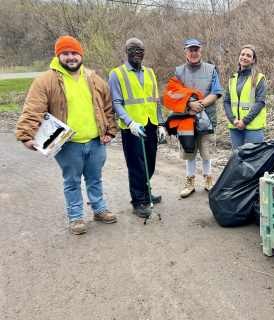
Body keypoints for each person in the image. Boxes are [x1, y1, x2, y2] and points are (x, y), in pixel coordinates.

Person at [15, 36, 118, 235]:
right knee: (72, 181)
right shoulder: (46, 81)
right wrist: (26, 135)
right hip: (67, 144)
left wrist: (110, 131)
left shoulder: (93, 78)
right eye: (66, 53)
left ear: (81, 55)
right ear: (58, 55)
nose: (71, 57)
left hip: (96, 142)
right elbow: (33, 109)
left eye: (74, 53)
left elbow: (107, 107)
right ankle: (75, 217)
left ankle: (99, 209)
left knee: (95, 178)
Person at [108, 38, 165, 219]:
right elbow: (116, 103)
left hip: (149, 125)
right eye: (133, 49)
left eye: (140, 49)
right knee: (136, 165)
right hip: (132, 128)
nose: (137, 52)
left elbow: (155, 100)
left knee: (149, 163)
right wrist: (130, 122)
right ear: (126, 51)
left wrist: (161, 123)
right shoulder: (117, 74)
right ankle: (138, 201)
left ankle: (146, 192)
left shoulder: (149, 73)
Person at [168, 39, 222, 198]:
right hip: (186, 118)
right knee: (189, 151)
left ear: (201, 52)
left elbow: (216, 92)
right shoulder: (179, 71)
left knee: (206, 152)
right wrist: (189, 105)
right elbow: (174, 93)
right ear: (185, 53)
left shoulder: (211, 69)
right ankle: (190, 182)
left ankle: (208, 180)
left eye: (196, 50)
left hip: (206, 118)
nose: (193, 53)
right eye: (190, 50)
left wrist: (199, 104)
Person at [223, 45, 267, 150]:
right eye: (242, 54)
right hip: (235, 125)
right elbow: (226, 101)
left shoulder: (259, 78)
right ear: (239, 57)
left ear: (253, 60)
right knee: (238, 159)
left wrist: (245, 121)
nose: (244, 57)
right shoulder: (232, 78)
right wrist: (233, 120)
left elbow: (260, 102)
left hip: (253, 126)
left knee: (256, 158)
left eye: (248, 55)